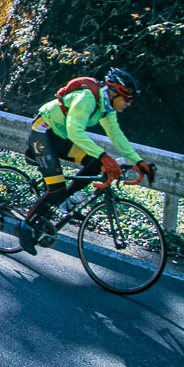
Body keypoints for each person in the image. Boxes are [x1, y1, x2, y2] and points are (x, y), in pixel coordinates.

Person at [17, 67, 157, 255]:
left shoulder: (106, 109)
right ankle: (24, 227)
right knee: (57, 188)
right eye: (127, 99)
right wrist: (104, 156)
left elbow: (117, 136)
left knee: (94, 165)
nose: (129, 104)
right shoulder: (87, 99)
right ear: (114, 93)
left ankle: (61, 199)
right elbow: (75, 131)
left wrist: (139, 161)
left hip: (60, 137)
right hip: (43, 134)